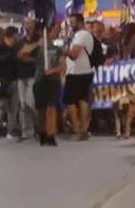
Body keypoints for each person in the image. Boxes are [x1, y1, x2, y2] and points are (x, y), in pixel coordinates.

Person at [33, 20, 66, 146]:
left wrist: (52, 70)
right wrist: (37, 44)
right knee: (41, 109)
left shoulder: (58, 49)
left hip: (53, 81)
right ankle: (43, 131)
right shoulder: (38, 48)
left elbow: (63, 66)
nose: (57, 33)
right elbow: (22, 54)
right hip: (39, 81)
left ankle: (51, 134)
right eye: (54, 30)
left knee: (51, 108)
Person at [65, 13, 96, 141]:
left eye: (73, 22)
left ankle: (78, 129)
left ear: (80, 22)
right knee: (83, 100)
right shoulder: (87, 35)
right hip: (86, 71)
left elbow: (74, 55)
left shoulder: (80, 35)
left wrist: (62, 50)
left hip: (76, 73)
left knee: (70, 101)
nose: (71, 25)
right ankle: (83, 129)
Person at [0, 26, 20, 138]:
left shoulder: (16, 48)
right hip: (2, 79)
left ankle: (12, 129)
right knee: (2, 105)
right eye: (16, 35)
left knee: (13, 106)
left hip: (14, 78)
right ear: (13, 35)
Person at [15, 21, 41, 141]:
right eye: (26, 24)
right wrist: (23, 57)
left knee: (31, 103)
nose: (28, 26)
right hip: (21, 75)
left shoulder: (39, 40)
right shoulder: (21, 41)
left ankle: (39, 126)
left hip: (33, 75)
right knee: (23, 104)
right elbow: (18, 56)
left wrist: (28, 58)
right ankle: (26, 131)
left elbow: (40, 58)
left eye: (30, 24)